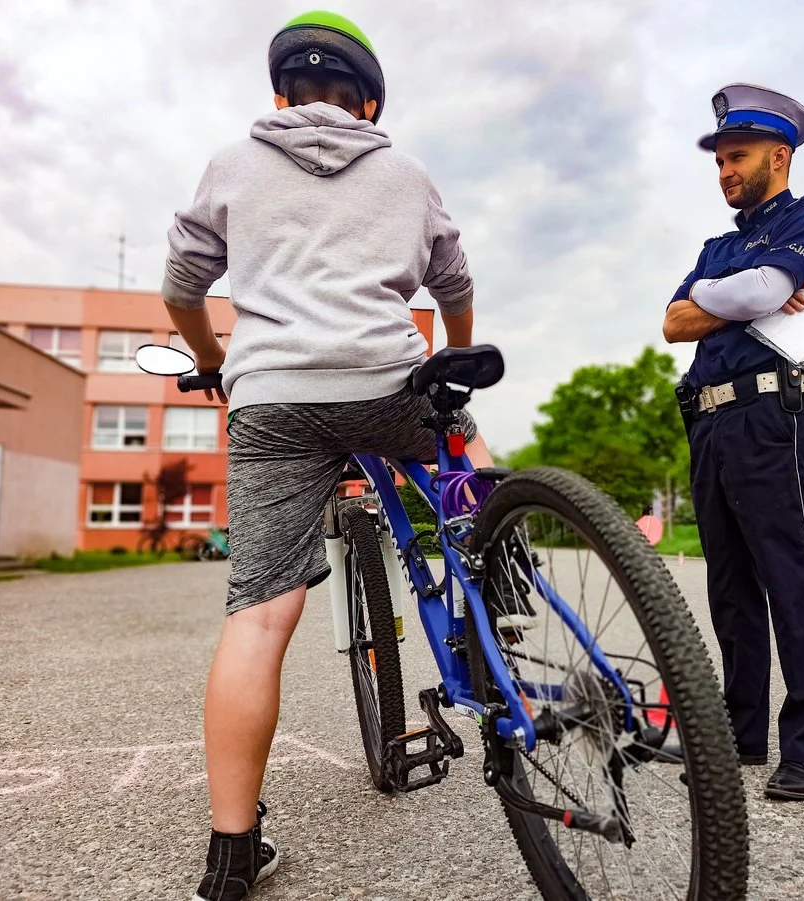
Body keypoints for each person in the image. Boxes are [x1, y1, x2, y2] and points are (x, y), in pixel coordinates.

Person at [160, 12, 494, 900]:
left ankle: (232, 854)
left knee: (259, 617)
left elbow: (182, 286)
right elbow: (455, 284)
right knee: (470, 447)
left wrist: (211, 363)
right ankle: (500, 561)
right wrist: (453, 360)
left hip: (272, 398)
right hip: (388, 383)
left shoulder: (235, 161)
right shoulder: (405, 169)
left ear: (280, 97)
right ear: (370, 102)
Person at [662, 84, 804, 802]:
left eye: (736, 156)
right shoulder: (720, 246)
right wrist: (740, 290)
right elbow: (673, 323)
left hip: (774, 416)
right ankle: (742, 732)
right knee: (731, 586)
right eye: (719, 160)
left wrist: (731, 292)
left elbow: (764, 289)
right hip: (709, 420)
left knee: (792, 578)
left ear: (780, 154)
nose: (724, 171)